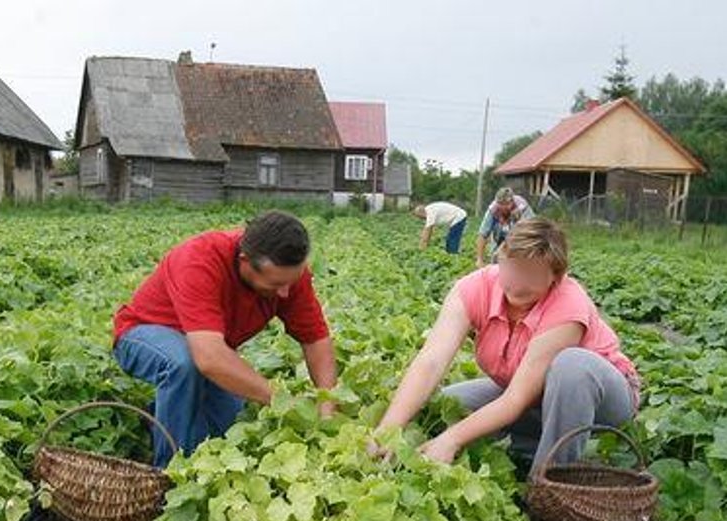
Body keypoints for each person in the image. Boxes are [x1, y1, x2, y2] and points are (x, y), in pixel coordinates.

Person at [374, 218, 639, 472]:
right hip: (536, 398)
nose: (517, 283)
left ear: (556, 278)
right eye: (512, 268)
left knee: (572, 365)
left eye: (532, 275)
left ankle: (550, 482)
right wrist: (387, 432)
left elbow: (516, 399)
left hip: (602, 402)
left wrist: (452, 439)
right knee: (451, 403)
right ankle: (536, 446)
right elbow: (431, 361)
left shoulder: (568, 304)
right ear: (500, 255)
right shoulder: (475, 288)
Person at [113, 211, 337, 467]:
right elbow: (208, 359)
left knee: (230, 426)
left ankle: (160, 414)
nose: (286, 293)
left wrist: (326, 404)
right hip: (141, 335)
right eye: (275, 285)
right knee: (183, 363)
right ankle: (169, 475)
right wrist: (280, 398)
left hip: (207, 348)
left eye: (291, 282)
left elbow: (316, 340)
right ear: (244, 261)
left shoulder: (288, 276)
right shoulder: (199, 259)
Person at [475, 187, 534, 267]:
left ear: (512, 201)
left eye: (506, 204)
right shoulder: (493, 210)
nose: (503, 207)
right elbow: (482, 234)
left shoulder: (522, 207)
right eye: (500, 204)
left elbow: (532, 230)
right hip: (499, 236)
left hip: (520, 237)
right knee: (496, 258)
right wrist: (479, 259)